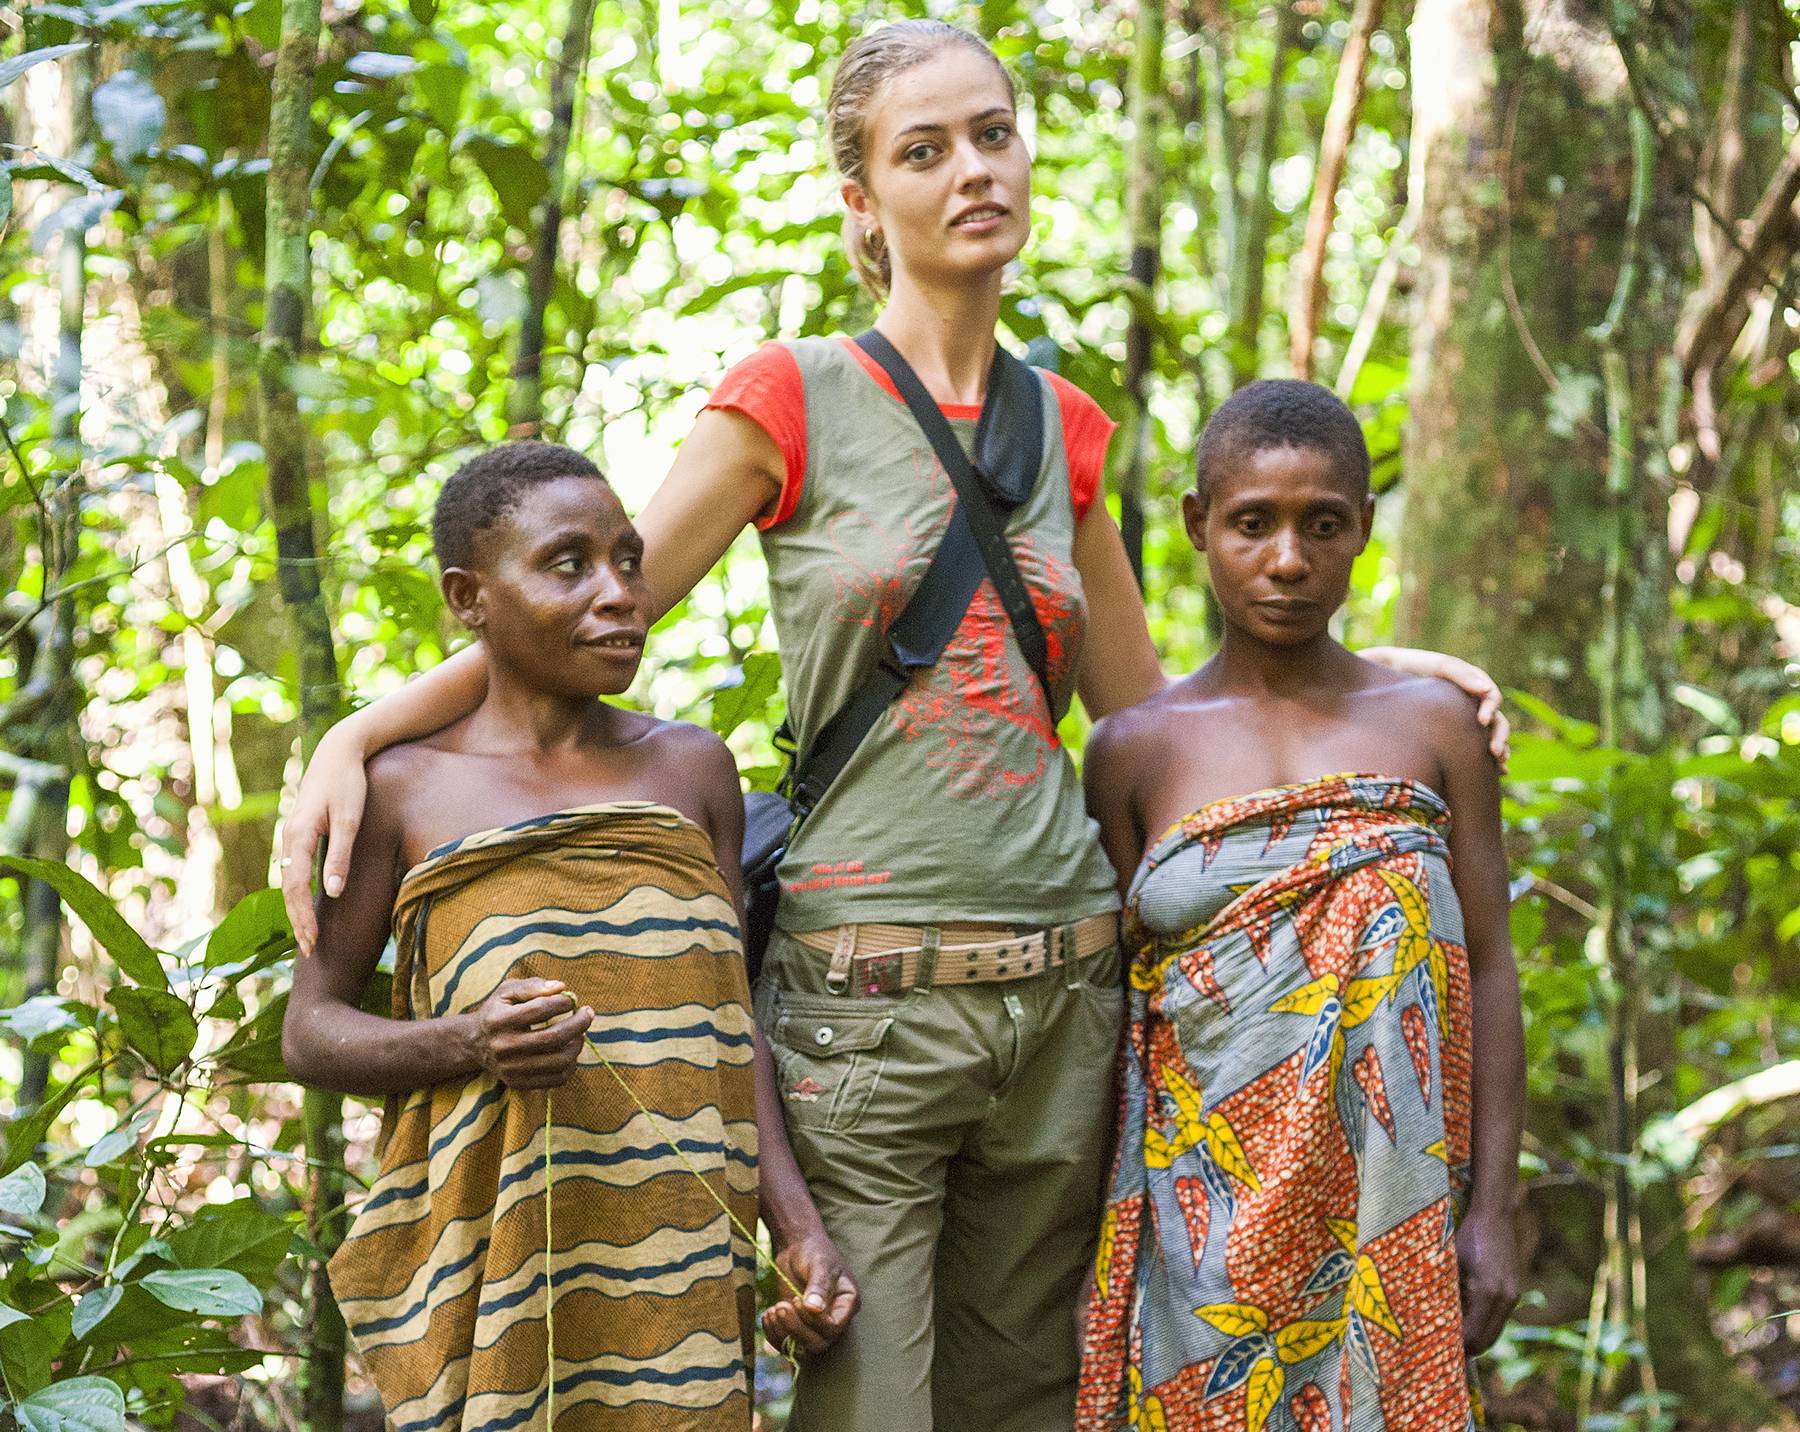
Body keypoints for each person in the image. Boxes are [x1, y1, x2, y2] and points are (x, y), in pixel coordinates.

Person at [275, 26, 1508, 1432]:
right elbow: (586, 632)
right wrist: (354, 735)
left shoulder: (1068, 426)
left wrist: (1373, 664)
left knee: (1032, 1404)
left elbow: (1159, 712)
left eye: (991, 133)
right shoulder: (786, 398)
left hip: (1065, 1003)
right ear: (861, 201)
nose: (970, 171)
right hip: (864, 1008)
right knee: (869, 1404)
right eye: (922, 151)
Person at [281, 442, 856, 1432]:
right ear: (470, 595)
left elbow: (730, 1025)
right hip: (500, 1261)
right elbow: (309, 1028)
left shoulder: (692, 770)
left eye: (628, 560)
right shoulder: (402, 791)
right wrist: (469, 1040)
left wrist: (795, 1225)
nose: (620, 592)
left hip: (679, 1270)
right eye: (568, 564)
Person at [1074, 382, 1525, 1432]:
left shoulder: (1436, 728)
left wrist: (1495, 1209)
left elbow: (1494, 966)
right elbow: (1117, 1011)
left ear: (1363, 528)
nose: (1287, 558)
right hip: (1197, 1219)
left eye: (1322, 524)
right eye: (1252, 523)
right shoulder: (1134, 750)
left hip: (1390, 1206)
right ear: (1199, 525)